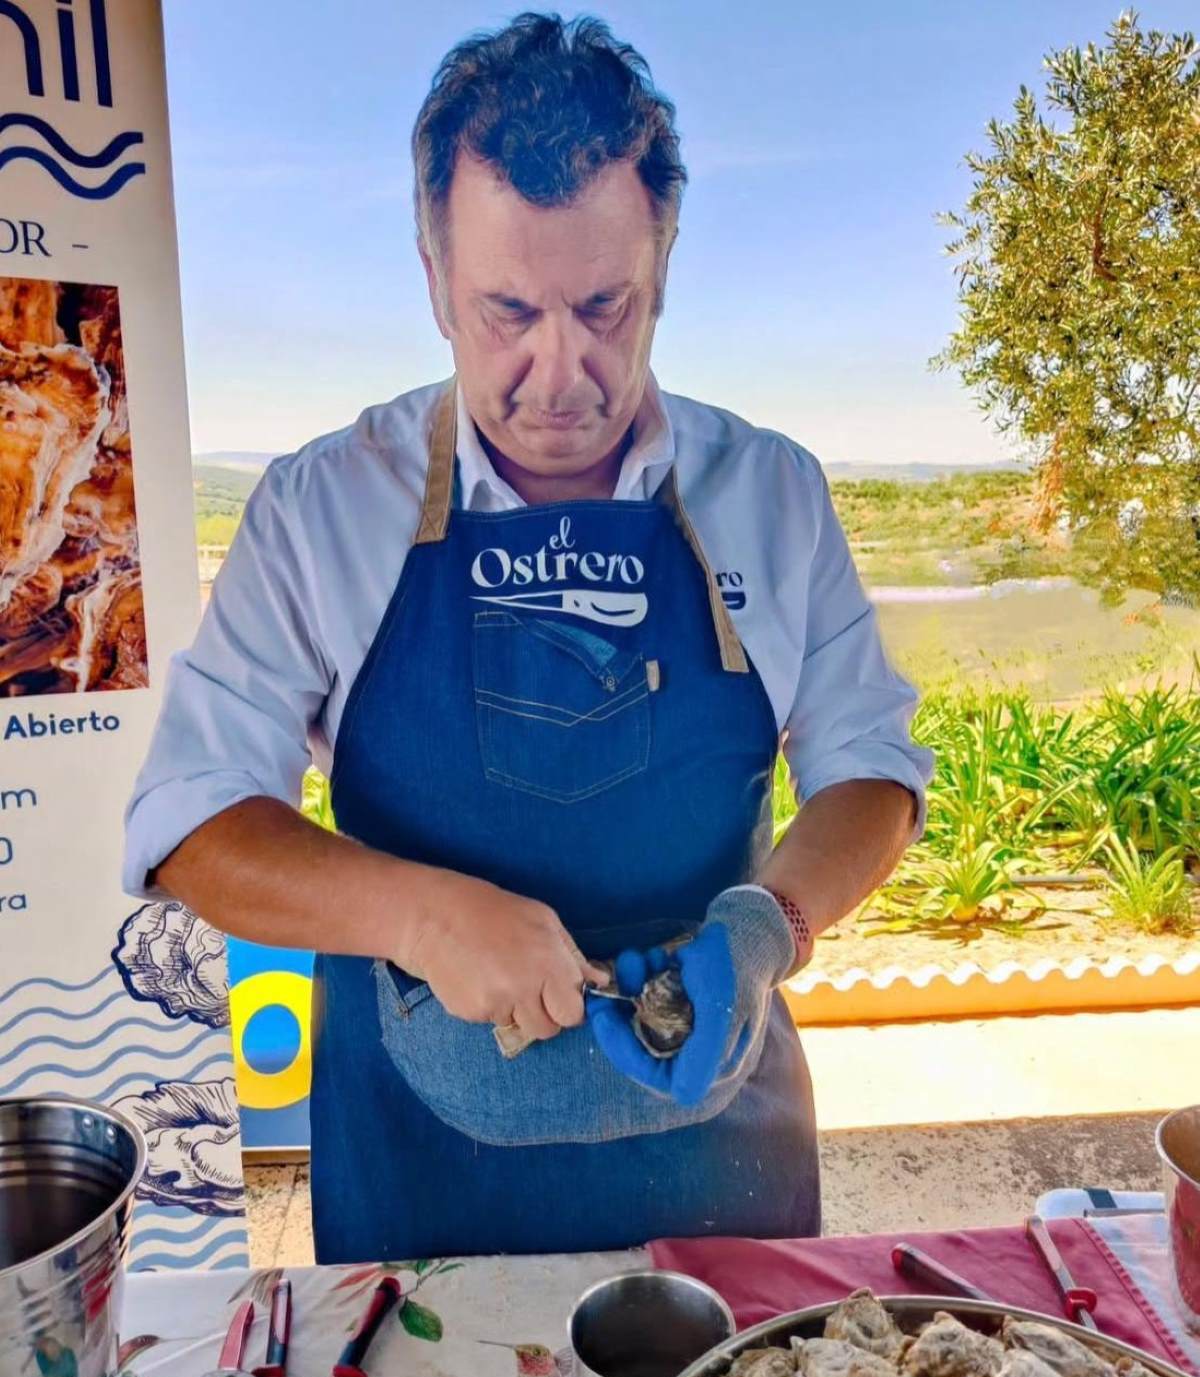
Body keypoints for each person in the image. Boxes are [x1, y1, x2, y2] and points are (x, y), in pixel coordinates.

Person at [123, 12, 934, 1263]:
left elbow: (872, 773)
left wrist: (771, 923)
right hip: (421, 1170)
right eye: (508, 311)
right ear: (434, 273)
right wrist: (420, 915)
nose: (561, 372)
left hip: (720, 1160)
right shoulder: (324, 507)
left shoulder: (770, 493)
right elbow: (190, 824)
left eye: (606, 306)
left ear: (662, 262)